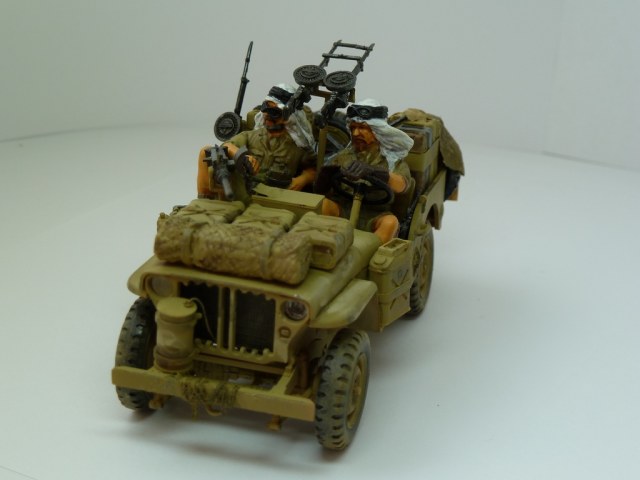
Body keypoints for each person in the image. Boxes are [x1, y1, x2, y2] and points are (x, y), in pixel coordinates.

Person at [319, 98, 414, 244]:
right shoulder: (343, 157)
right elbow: (324, 185)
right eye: (353, 128)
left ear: (377, 131)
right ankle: (324, 244)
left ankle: (371, 253)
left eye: (363, 128)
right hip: (343, 209)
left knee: (390, 222)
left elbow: (403, 185)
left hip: (374, 215)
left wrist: (374, 172)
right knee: (322, 205)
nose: (356, 133)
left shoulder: (392, 160)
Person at [197, 84, 317, 199]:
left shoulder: (299, 146)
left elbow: (314, 167)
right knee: (205, 152)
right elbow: (227, 146)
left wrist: (304, 178)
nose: (268, 119)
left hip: (278, 195)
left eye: (275, 114)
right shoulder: (252, 136)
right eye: (266, 112)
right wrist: (241, 155)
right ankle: (205, 200)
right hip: (246, 190)